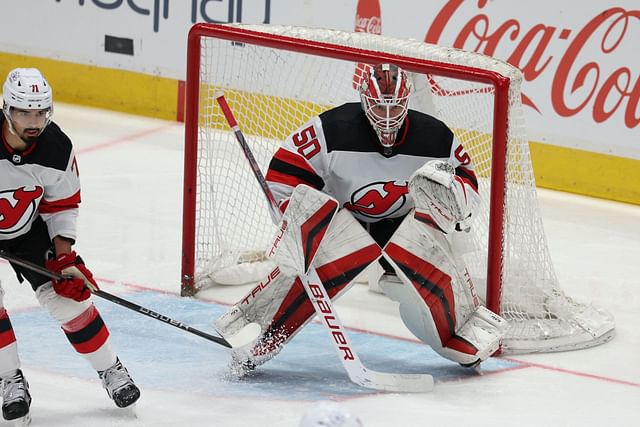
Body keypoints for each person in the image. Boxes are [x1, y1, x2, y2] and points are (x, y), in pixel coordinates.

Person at [215, 63, 507, 373]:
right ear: (364, 100)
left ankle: (461, 331)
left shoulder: (435, 137)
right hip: (348, 227)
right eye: (379, 106)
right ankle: (262, 334)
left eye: (395, 105)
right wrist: (294, 216)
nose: (387, 115)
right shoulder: (332, 128)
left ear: (407, 100)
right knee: (317, 254)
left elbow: (467, 190)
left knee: (459, 336)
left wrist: (453, 197)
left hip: (409, 228)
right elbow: (287, 170)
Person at [0, 68, 140, 423]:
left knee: (68, 300)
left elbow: (61, 205)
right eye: (23, 112)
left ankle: (111, 370)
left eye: (40, 112)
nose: (33, 122)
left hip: (28, 229)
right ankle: (10, 379)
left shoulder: (56, 147)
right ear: (6, 109)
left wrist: (64, 258)